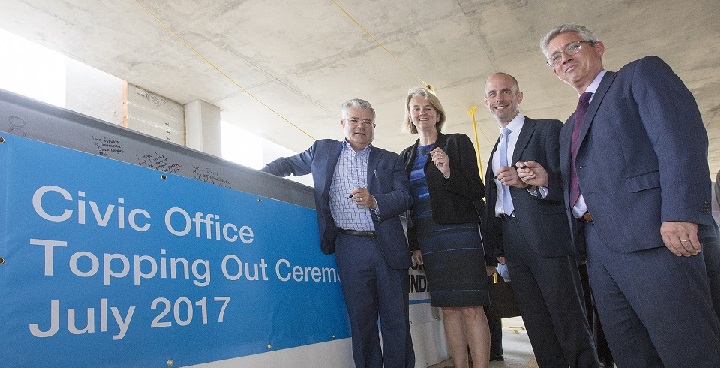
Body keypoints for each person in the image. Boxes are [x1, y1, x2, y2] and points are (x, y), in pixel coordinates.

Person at [517, 24, 720, 367]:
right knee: (631, 352)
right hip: (598, 250)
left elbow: (680, 140)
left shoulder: (638, 76)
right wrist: (547, 180)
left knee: (687, 347)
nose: (564, 58)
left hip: (655, 235)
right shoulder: (569, 126)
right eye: (555, 57)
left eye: (572, 48)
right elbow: (586, 183)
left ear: (598, 47)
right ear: (553, 71)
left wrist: (680, 213)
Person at [261, 98, 415, 368]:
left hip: (387, 246)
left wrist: (375, 201)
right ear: (343, 123)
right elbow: (288, 164)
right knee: (361, 320)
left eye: (367, 121)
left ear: (373, 126)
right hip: (349, 247)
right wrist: (254, 175)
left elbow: (405, 197)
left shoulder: (390, 160)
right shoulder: (322, 150)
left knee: (396, 320)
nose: (360, 126)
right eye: (354, 120)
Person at [481, 72, 597, 367]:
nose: (499, 99)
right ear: (486, 102)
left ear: (519, 97)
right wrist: (497, 250)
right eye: (493, 94)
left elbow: (572, 180)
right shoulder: (495, 148)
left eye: (506, 92)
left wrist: (537, 182)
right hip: (512, 242)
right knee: (536, 323)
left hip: (547, 237)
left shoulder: (547, 129)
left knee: (567, 317)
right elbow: (494, 201)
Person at [399, 87, 491, 368]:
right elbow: (409, 205)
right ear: (410, 116)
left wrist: (449, 171)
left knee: (472, 307)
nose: (422, 113)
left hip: (461, 234)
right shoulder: (405, 156)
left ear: (438, 114)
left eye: (428, 108)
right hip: (430, 238)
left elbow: (477, 190)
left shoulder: (457, 143)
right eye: (416, 108)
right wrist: (414, 242)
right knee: (449, 309)